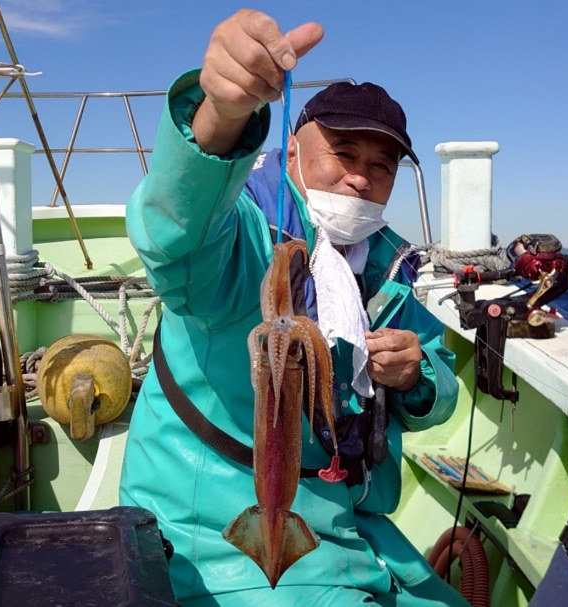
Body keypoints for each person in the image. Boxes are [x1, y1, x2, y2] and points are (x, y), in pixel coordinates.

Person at [119, 9, 465, 606]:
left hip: (352, 529)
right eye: (343, 152)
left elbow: (441, 382)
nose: (360, 177)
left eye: (381, 165)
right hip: (215, 538)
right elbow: (175, 234)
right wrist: (222, 116)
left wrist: (417, 376)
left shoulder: (389, 271)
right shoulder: (241, 236)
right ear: (295, 151)